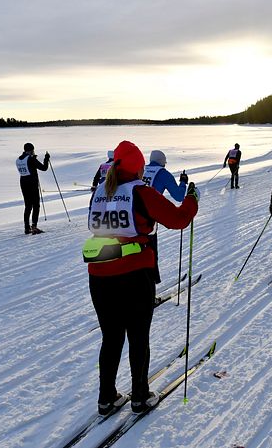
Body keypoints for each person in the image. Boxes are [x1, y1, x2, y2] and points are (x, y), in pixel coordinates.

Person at [83, 140, 199, 415]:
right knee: (137, 336)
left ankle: (107, 398)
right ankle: (139, 396)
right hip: (134, 275)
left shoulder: (99, 191)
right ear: (138, 168)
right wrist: (192, 197)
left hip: (99, 275)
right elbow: (179, 219)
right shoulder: (141, 193)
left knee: (111, 338)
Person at [142, 149, 189, 283]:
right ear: (163, 162)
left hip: (133, 219)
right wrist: (183, 182)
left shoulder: (141, 170)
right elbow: (179, 196)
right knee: (151, 255)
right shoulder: (163, 174)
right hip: (150, 221)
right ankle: (150, 292)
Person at [16, 142, 49, 234]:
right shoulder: (31, 159)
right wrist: (46, 158)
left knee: (28, 206)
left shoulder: (18, 159)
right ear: (31, 150)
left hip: (23, 183)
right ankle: (34, 226)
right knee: (36, 205)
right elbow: (44, 168)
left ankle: (27, 228)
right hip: (32, 184)